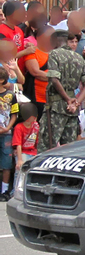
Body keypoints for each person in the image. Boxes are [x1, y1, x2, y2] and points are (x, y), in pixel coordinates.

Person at [38, 31, 85, 152]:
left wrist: (67, 99)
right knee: (69, 148)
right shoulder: (78, 57)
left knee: (47, 147)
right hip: (72, 109)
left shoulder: (55, 54)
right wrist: (77, 102)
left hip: (55, 107)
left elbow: (54, 79)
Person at [23, 25, 54, 119]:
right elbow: (35, 72)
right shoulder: (32, 52)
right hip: (38, 98)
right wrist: (55, 77)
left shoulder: (56, 52)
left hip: (54, 98)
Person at [0, 67, 18, 200]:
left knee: (6, 162)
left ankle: (4, 190)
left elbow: (14, 114)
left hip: (6, 133)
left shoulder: (11, 95)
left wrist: (8, 128)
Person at [13, 102, 39, 174]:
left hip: (33, 152)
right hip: (22, 152)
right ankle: (17, 185)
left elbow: (37, 141)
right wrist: (19, 160)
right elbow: (18, 144)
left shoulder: (36, 126)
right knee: (21, 170)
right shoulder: (19, 127)